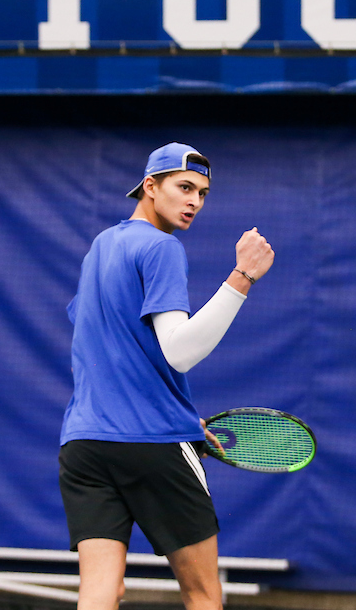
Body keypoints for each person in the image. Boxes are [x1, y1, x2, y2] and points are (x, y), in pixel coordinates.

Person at [59, 142, 275, 610]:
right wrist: (243, 277)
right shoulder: (161, 248)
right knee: (202, 596)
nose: (195, 200)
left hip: (84, 448)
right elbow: (179, 352)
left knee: (99, 593)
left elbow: (110, 350)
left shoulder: (102, 246)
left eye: (203, 192)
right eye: (184, 187)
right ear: (150, 187)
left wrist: (175, 411)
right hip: (152, 443)